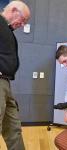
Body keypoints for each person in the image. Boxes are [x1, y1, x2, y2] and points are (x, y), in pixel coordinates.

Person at [0, 1, 30, 149]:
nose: (23, 24)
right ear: (13, 10)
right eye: (23, 19)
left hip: (6, 84)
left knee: (14, 129)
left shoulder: (7, 31)